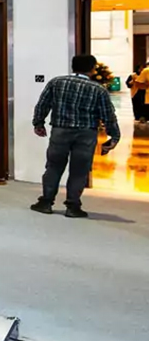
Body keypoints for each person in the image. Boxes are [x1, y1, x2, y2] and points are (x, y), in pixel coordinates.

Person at [32, 54, 120, 218]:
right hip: (86, 133)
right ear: (93, 69)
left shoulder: (57, 82)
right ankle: (73, 206)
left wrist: (38, 123)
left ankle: (46, 202)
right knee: (80, 170)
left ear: (73, 66)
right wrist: (114, 136)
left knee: (53, 166)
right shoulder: (98, 89)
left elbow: (43, 104)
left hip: (60, 131)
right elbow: (108, 115)